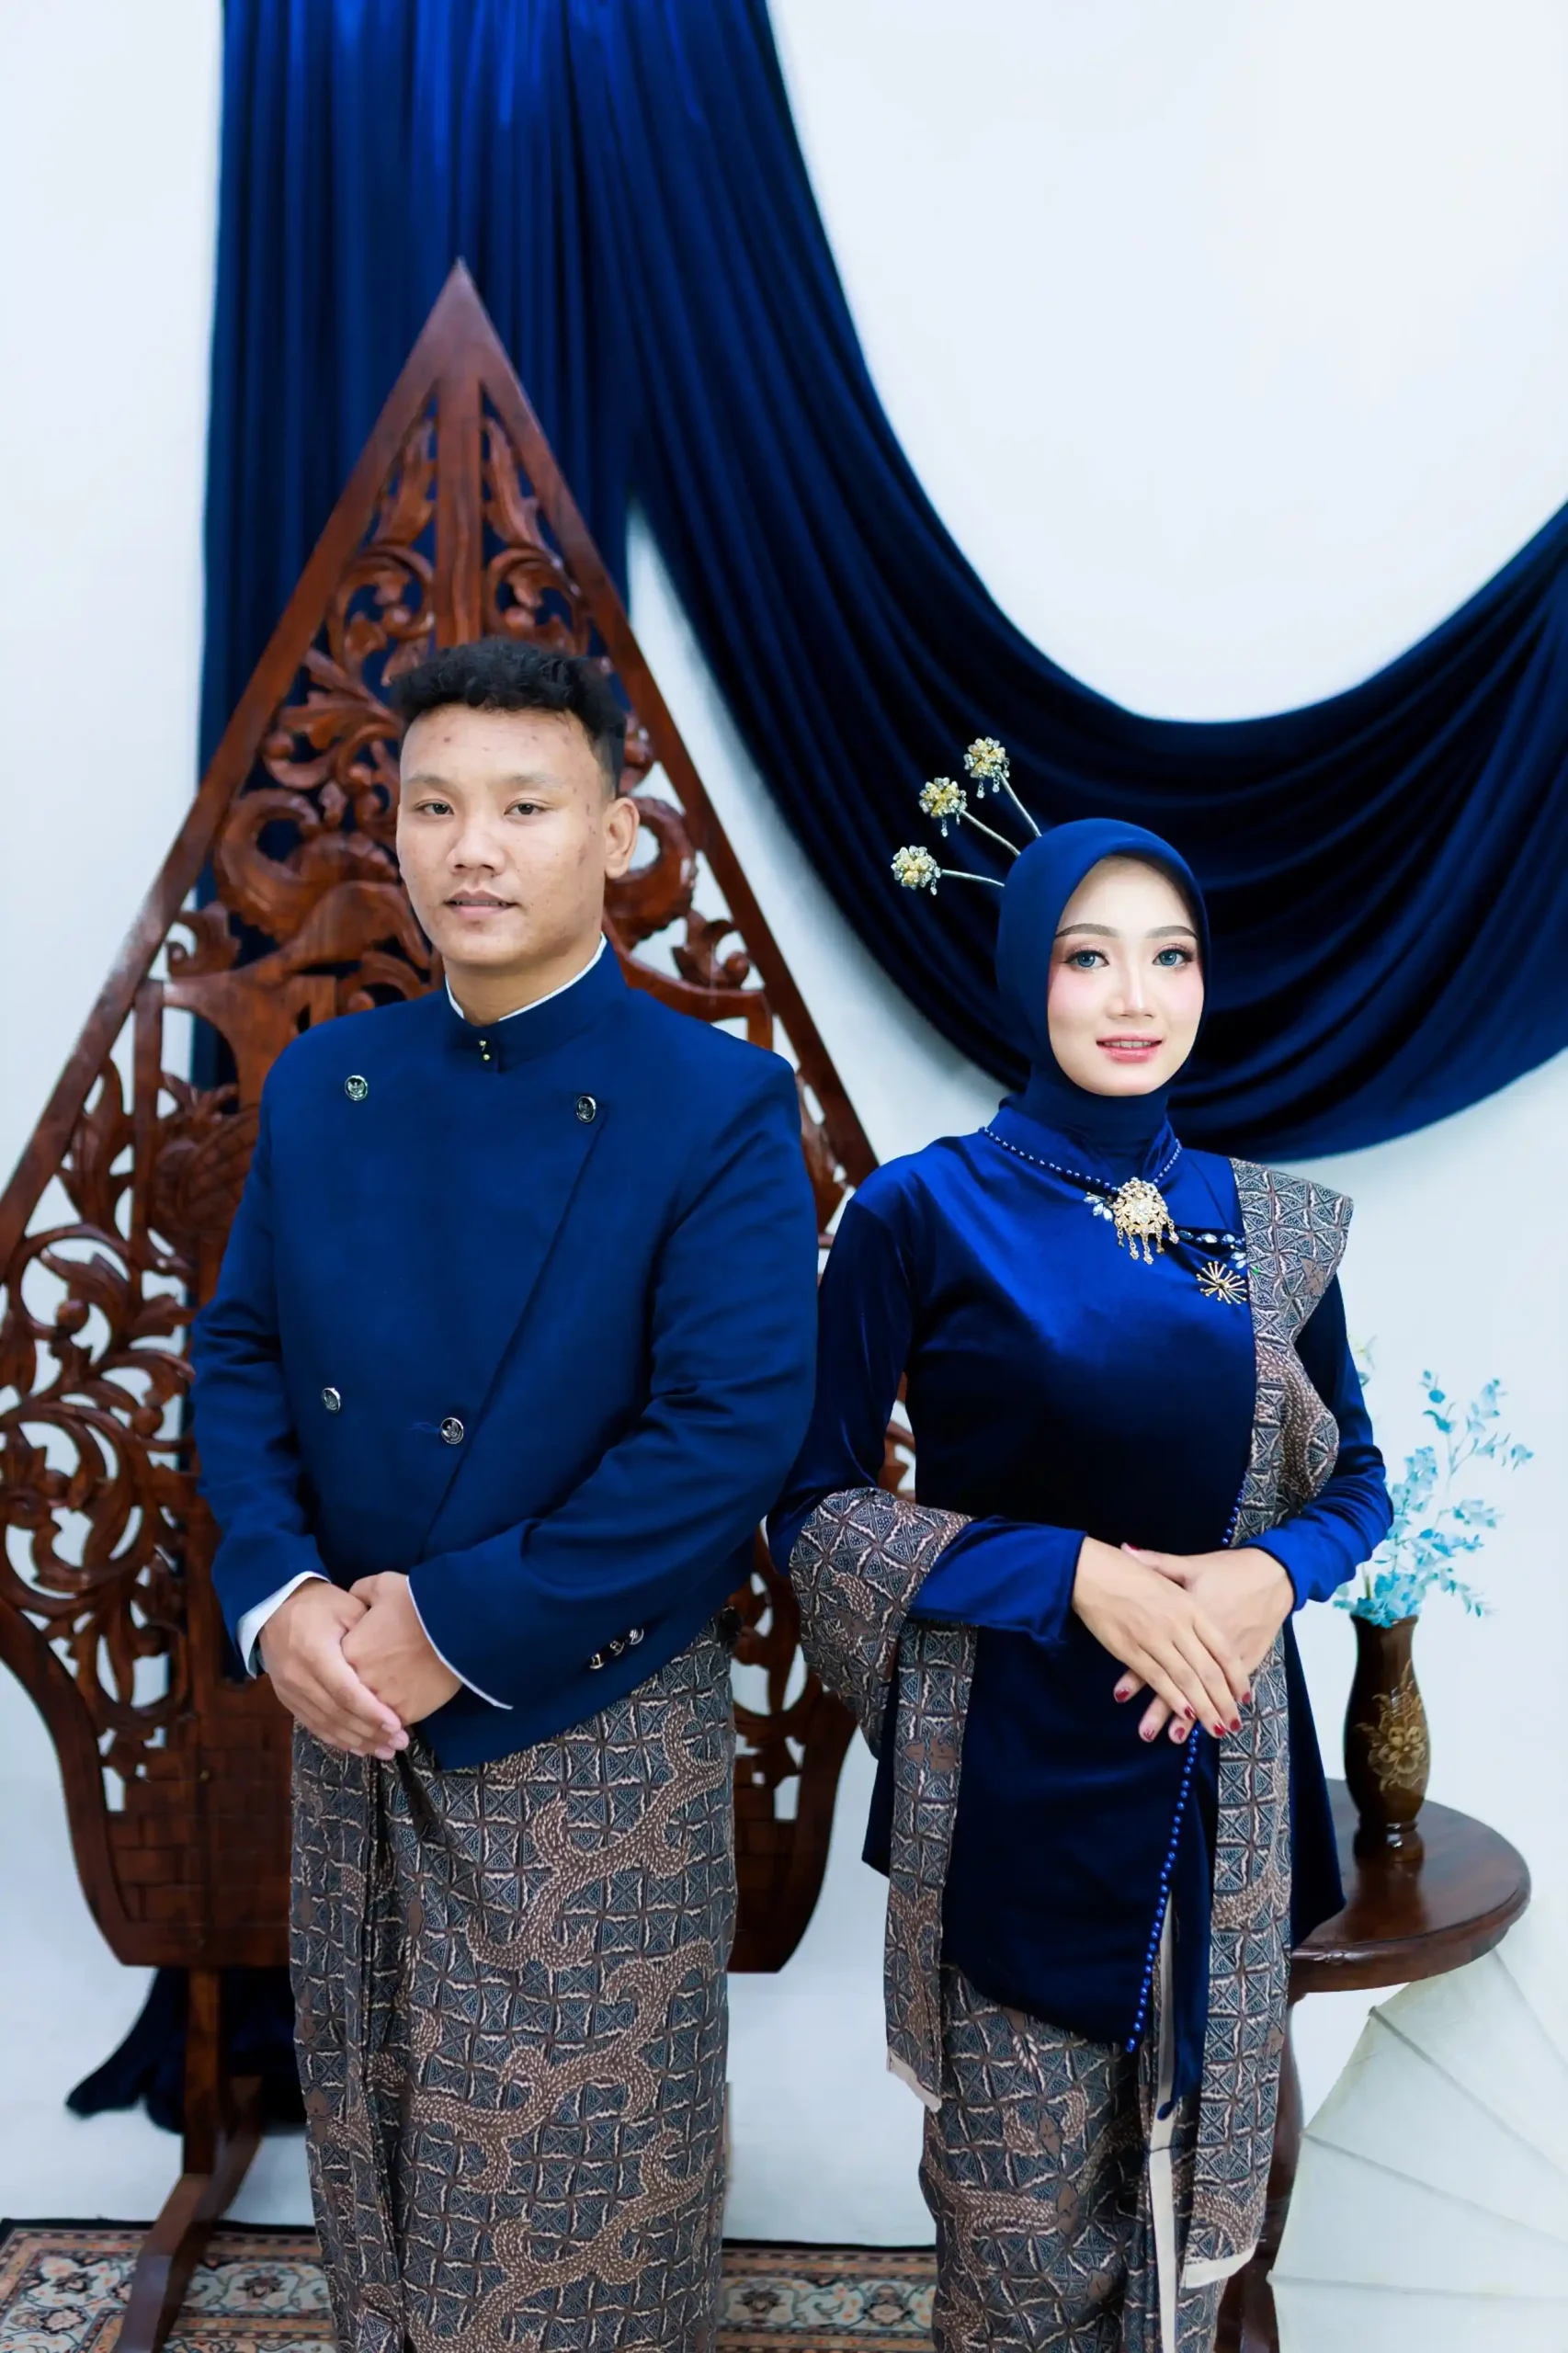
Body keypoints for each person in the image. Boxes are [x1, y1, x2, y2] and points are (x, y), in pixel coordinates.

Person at [192, 639, 819, 2353]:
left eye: (524, 807)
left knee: (573, 2220)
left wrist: (454, 1625)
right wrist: (280, 1601)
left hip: (586, 1724)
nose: (472, 847)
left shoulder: (717, 1102)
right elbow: (241, 1353)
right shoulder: (326, 1083)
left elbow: (727, 1434)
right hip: (348, 1701)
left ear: (612, 832)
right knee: (378, 2161)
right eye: (433, 806)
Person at [772, 779, 1391, 2353]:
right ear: (1021, 975)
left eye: (1168, 956)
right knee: (1019, 2238)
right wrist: (1070, 1577)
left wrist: (1267, 1579)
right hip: (1014, 1777)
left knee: (1191, 2235)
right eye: (1086, 956)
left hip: (1223, 1770)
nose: (1134, 996)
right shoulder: (918, 1212)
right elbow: (810, 1508)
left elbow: (1359, 1485)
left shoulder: (1270, 1226)